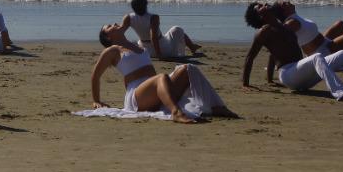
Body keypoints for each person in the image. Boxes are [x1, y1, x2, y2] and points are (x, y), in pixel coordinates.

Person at [241, 2, 343, 102]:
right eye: (259, 6)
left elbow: (273, 53)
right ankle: (342, 93)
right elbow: (250, 57)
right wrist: (245, 84)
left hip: (303, 73)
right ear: (260, 16)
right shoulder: (264, 32)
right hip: (289, 75)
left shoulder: (284, 26)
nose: (264, 4)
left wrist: (269, 80)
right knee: (317, 57)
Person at [89, 23, 236, 123]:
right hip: (137, 97)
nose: (114, 24)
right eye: (108, 26)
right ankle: (176, 112)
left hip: (155, 91)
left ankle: (217, 107)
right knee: (162, 77)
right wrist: (96, 100)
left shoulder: (136, 45)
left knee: (188, 69)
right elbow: (95, 75)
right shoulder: (112, 51)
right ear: (108, 37)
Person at [114, 0, 202, 59]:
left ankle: (193, 46)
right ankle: (192, 47)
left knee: (166, 35)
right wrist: (159, 54)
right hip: (161, 49)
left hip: (145, 51)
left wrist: (115, 30)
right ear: (146, 5)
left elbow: (121, 32)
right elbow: (154, 37)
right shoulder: (153, 17)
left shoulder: (128, 17)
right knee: (177, 29)